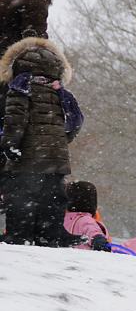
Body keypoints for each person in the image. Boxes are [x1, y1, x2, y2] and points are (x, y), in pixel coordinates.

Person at [0, 37, 84, 246]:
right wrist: (62, 141)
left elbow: (15, 119)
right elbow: (75, 121)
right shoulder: (59, 92)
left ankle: (20, 235)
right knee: (53, 197)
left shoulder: (20, 88)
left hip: (28, 154)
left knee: (21, 195)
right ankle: (50, 234)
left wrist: (10, 145)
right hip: (56, 156)